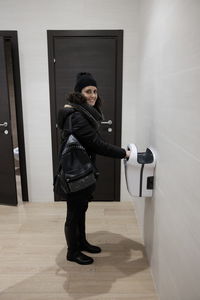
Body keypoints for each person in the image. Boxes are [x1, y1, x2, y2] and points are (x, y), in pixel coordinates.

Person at [57, 72, 130, 265]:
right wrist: (124, 153)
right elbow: (98, 144)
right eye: (88, 91)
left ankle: (81, 242)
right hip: (75, 174)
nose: (93, 95)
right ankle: (72, 252)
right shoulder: (77, 117)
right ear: (79, 93)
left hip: (80, 171)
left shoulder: (81, 113)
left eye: (95, 91)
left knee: (80, 209)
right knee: (74, 213)